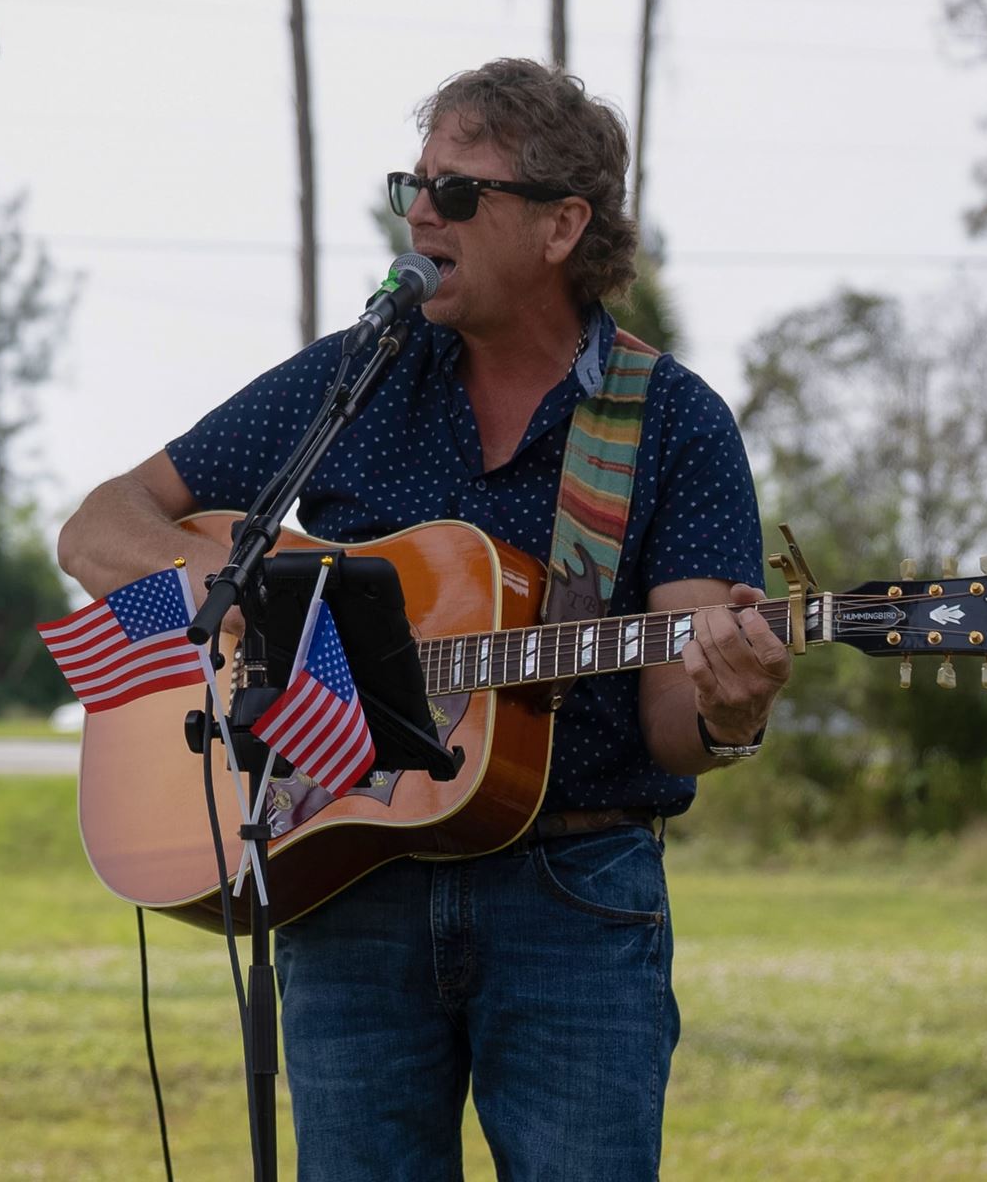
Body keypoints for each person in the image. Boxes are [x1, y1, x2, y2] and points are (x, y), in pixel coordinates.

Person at [56, 59, 788, 1182]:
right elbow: (100, 526)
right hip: (344, 875)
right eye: (414, 183)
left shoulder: (671, 422)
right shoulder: (360, 373)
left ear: (560, 225)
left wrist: (729, 705)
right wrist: (253, 615)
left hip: (574, 902)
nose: (417, 214)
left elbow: (673, 720)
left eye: (456, 192)